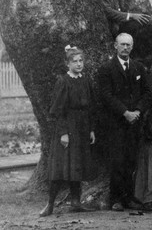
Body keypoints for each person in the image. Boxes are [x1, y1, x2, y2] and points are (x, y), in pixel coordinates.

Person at [97, 33, 152, 211]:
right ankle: (116, 198)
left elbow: (147, 93)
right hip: (115, 123)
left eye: (128, 45)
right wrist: (124, 112)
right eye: (122, 44)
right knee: (117, 160)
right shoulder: (106, 68)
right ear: (115, 46)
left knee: (131, 160)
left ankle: (129, 197)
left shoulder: (138, 68)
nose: (126, 48)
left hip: (135, 122)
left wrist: (137, 111)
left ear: (132, 46)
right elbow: (106, 95)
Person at [40, 45, 96, 217]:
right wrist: (63, 133)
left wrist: (91, 130)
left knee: (77, 165)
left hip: (83, 127)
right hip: (67, 127)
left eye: (81, 61)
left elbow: (92, 107)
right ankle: (50, 204)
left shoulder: (86, 80)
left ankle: (76, 202)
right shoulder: (63, 81)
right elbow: (57, 110)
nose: (79, 64)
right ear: (67, 64)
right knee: (60, 166)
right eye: (75, 61)